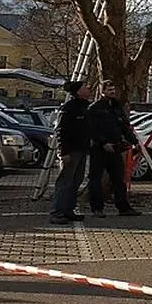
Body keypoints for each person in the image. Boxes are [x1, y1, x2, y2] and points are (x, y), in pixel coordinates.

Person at [86, 81, 141, 217]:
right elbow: (91, 129)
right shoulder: (95, 108)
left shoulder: (116, 107)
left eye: (113, 89)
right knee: (95, 178)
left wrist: (134, 142)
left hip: (115, 148)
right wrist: (104, 143)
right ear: (102, 91)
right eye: (109, 90)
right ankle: (97, 208)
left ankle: (123, 207)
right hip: (99, 149)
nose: (113, 92)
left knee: (118, 179)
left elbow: (124, 127)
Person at [49, 81, 91, 224]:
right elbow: (61, 131)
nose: (88, 88)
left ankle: (69, 209)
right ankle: (57, 212)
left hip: (82, 149)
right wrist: (63, 151)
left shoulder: (87, 107)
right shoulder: (69, 108)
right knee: (65, 181)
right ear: (78, 91)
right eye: (85, 87)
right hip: (71, 150)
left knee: (76, 180)